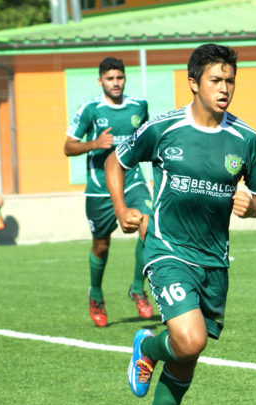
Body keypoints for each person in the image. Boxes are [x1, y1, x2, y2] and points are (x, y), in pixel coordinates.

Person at [106, 43, 256, 405]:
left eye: (230, 81)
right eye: (216, 79)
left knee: (186, 357)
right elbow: (114, 161)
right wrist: (121, 210)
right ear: (193, 83)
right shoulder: (164, 128)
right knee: (191, 338)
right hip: (167, 249)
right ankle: (147, 346)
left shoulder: (246, 139)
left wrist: (254, 207)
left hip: (214, 261)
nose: (224, 88)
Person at [63, 56, 154, 327]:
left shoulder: (139, 106)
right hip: (99, 187)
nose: (116, 83)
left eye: (120, 78)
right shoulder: (90, 109)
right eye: (110, 79)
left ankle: (138, 287)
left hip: (133, 180)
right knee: (101, 246)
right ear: (100, 80)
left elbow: (146, 138)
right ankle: (97, 293)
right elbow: (68, 147)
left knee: (147, 225)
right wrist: (95, 143)